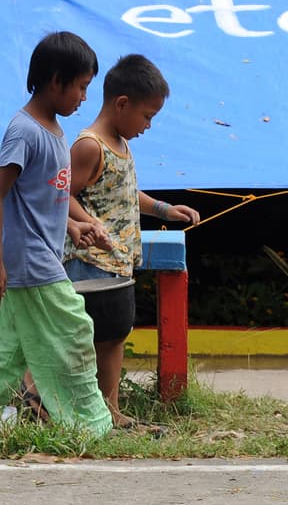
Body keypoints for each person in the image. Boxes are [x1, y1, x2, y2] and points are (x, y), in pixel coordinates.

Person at [0, 31, 113, 437]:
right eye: (80, 87)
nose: (83, 97)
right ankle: (88, 426)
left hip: (38, 255)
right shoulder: (24, 130)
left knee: (5, 349)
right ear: (56, 80)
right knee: (75, 329)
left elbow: (40, 200)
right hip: (28, 260)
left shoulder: (56, 132)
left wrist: (75, 226)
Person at [58, 54, 199, 427]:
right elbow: (61, 196)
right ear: (122, 104)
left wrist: (166, 210)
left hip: (118, 262)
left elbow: (123, 192)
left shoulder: (120, 143)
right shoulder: (89, 145)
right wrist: (92, 224)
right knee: (83, 340)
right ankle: (72, 409)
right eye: (147, 115)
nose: (148, 125)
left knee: (114, 336)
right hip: (89, 260)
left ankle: (110, 409)